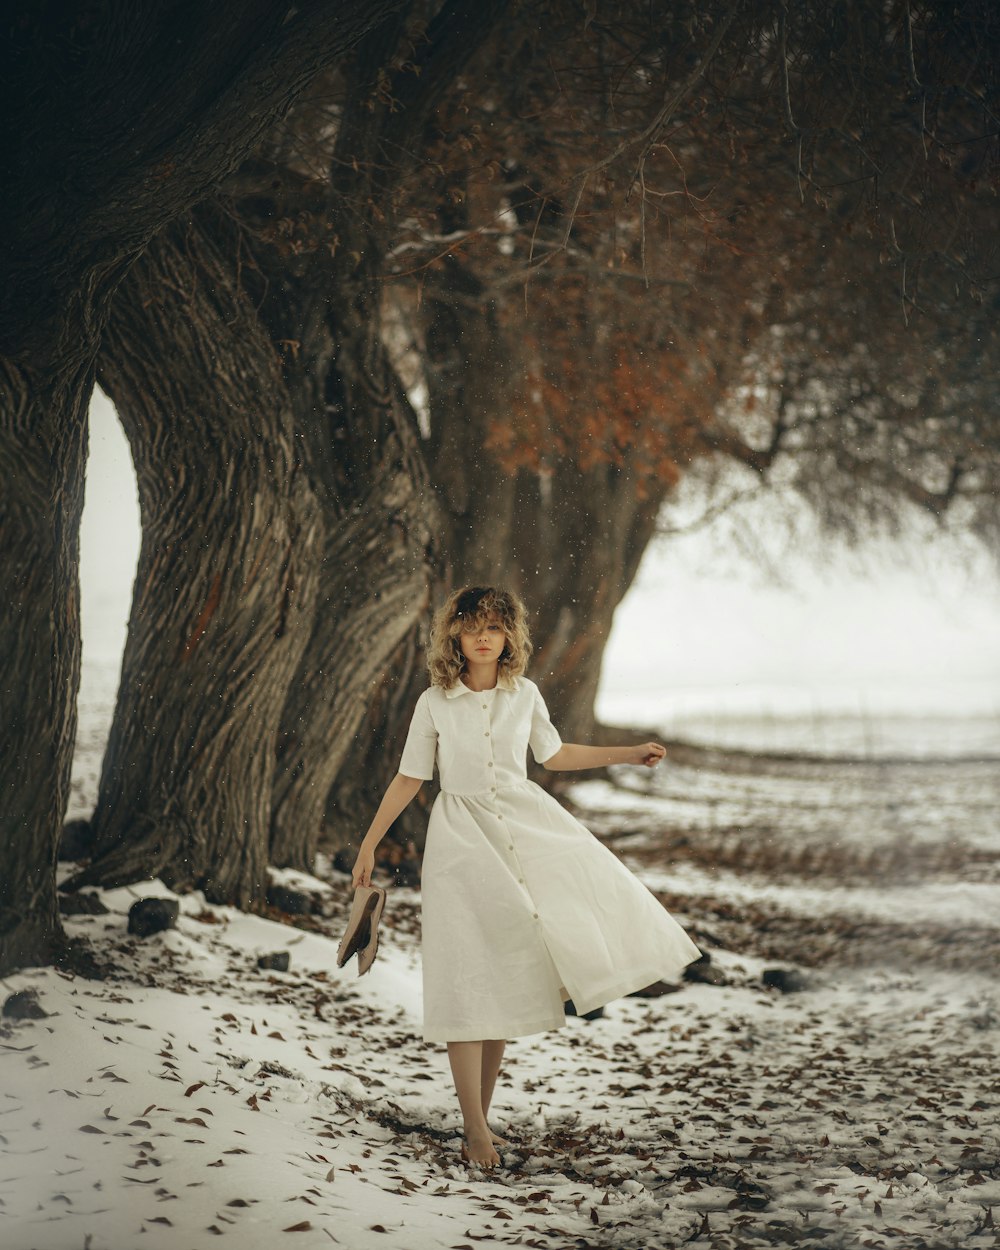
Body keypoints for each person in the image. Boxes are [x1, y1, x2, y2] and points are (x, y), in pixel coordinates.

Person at [351, 585, 701, 1168]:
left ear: (509, 634)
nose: (483, 636)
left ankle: (480, 1123)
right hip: (460, 844)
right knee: (465, 979)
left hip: (524, 832)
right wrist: (370, 843)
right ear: (455, 636)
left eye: (494, 626)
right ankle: (475, 1132)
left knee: (506, 977)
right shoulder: (435, 700)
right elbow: (411, 777)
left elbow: (554, 755)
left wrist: (627, 752)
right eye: (471, 626)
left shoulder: (525, 694)